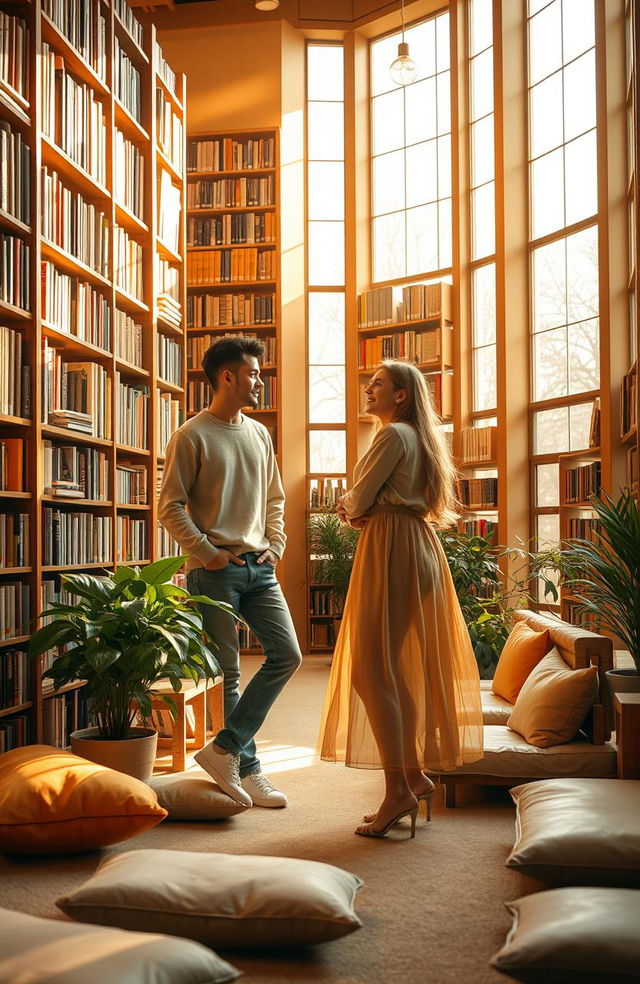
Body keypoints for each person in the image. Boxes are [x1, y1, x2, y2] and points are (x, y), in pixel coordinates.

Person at [319, 359, 484, 838]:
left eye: (378, 385)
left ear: (401, 395)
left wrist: (348, 506)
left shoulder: (392, 437)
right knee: (392, 666)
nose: (368, 390)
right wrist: (358, 506)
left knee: (371, 669)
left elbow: (358, 498)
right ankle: (412, 775)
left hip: (391, 547)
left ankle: (399, 788)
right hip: (416, 547)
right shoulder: (420, 439)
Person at [158, 336, 302, 809]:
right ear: (228, 376)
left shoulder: (260, 434)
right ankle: (250, 768)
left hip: (260, 568)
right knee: (231, 675)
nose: (260, 380)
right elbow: (170, 507)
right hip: (213, 570)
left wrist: (276, 546)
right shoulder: (191, 435)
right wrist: (209, 553)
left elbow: (276, 501)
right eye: (254, 373)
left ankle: (224, 751)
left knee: (287, 654)